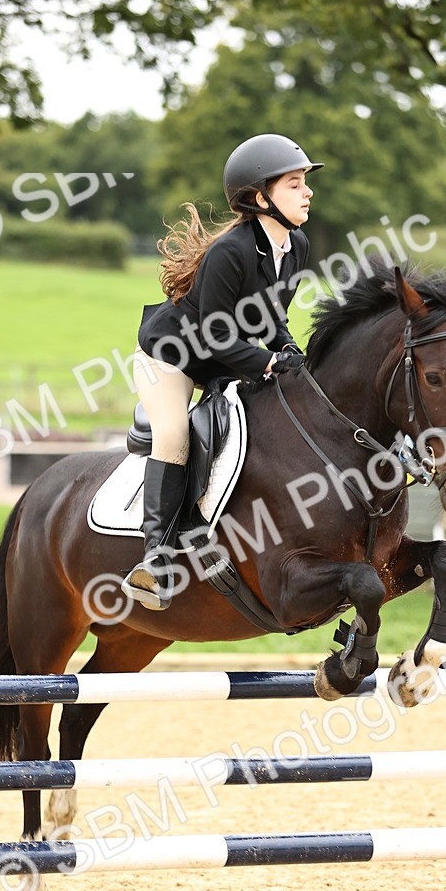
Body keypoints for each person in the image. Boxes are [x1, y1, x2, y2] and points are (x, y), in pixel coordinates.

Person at [122, 133, 323, 610]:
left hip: (224, 359)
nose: (307, 192)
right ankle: (156, 559)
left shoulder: (296, 247)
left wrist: (292, 352)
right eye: (294, 184)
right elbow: (214, 333)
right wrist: (269, 361)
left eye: (304, 184)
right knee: (174, 435)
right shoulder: (229, 252)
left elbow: (270, 316)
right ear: (261, 198)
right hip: (171, 356)